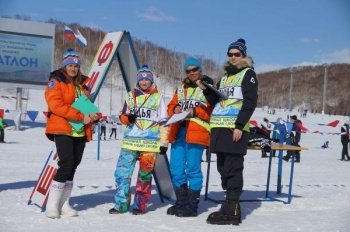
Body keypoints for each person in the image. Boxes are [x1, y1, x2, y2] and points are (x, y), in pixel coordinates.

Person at [197, 38, 258, 225]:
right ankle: (228, 203)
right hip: (219, 126)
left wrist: (240, 125)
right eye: (230, 54)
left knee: (233, 167)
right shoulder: (225, 77)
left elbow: (250, 102)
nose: (233, 57)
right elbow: (219, 102)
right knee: (222, 167)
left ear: (243, 55)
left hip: (234, 128)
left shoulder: (248, 73)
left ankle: (233, 209)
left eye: (236, 54)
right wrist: (207, 90)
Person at [44, 48, 99, 219]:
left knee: (73, 165)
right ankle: (52, 205)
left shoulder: (82, 84)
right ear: (64, 66)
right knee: (66, 164)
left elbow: (86, 105)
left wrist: (94, 115)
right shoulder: (56, 81)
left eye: (76, 65)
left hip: (80, 130)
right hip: (63, 127)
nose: (73, 68)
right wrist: (80, 116)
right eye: (70, 65)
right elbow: (56, 105)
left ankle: (64, 204)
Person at [109, 65, 168, 215]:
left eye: (147, 80)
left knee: (145, 176)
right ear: (137, 81)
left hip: (149, 144)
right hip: (130, 143)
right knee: (122, 173)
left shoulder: (158, 97)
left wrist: (164, 143)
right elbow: (122, 116)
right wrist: (128, 118)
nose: (144, 82)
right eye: (141, 79)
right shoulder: (130, 96)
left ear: (151, 81)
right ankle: (121, 203)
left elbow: (164, 121)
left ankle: (140, 204)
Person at [166, 57, 214, 217]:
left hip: (197, 131)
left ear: (200, 70)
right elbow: (170, 106)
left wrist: (195, 112)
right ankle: (181, 202)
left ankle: (192, 206)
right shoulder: (181, 88)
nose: (192, 73)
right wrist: (176, 108)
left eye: (194, 69)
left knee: (193, 169)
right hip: (179, 131)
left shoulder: (207, 86)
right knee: (176, 169)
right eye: (188, 70)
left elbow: (212, 109)